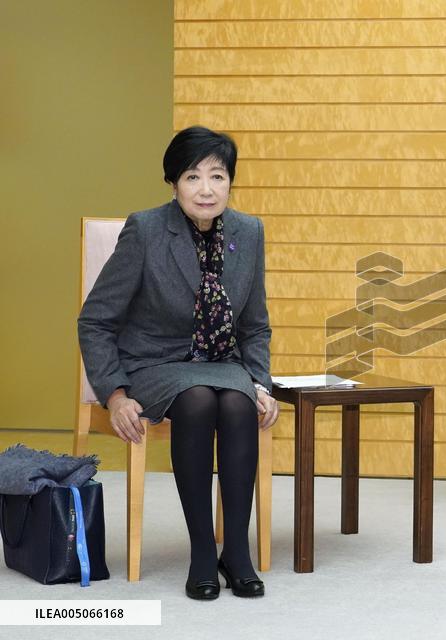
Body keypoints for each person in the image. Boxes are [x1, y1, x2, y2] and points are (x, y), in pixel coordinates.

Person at [78, 126, 279, 600]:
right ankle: (203, 553)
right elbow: (95, 321)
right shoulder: (146, 229)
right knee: (196, 401)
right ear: (174, 183)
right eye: (192, 177)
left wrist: (261, 383)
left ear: (231, 182)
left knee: (236, 403)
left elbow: (255, 325)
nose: (206, 189)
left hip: (222, 362)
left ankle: (237, 552)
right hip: (154, 363)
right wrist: (116, 392)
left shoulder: (249, 232)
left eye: (217, 175)